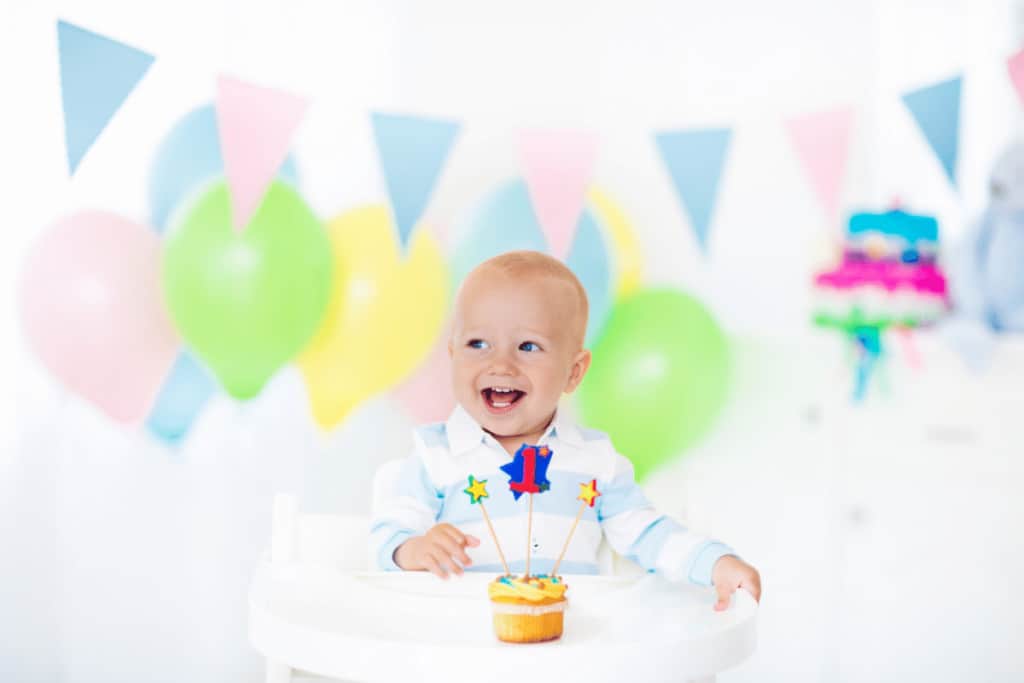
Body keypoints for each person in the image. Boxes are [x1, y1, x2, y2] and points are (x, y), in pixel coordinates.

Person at [371, 250, 761, 610]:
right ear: (453, 354)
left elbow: (646, 533)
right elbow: (388, 536)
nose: (501, 364)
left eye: (527, 346)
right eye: (478, 343)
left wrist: (714, 563)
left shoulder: (595, 461)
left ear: (573, 372)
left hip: (569, 641)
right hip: (465, 642)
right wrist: (414, 550)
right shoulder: (434, 455)